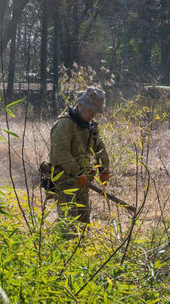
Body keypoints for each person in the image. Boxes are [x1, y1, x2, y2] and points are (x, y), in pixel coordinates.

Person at [49, 86, 110, 232]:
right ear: (80, 105)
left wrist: (104, 168)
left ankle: (80, 251)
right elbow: (60, 153)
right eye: (90, 110)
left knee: (83, 224)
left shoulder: (90, 127)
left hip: (82, 181)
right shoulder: (65, 124)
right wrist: (77, 172)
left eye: (95, 112)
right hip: (65, 180)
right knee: (68, 225)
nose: (92, 114)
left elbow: (100, 148)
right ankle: (61, 251)